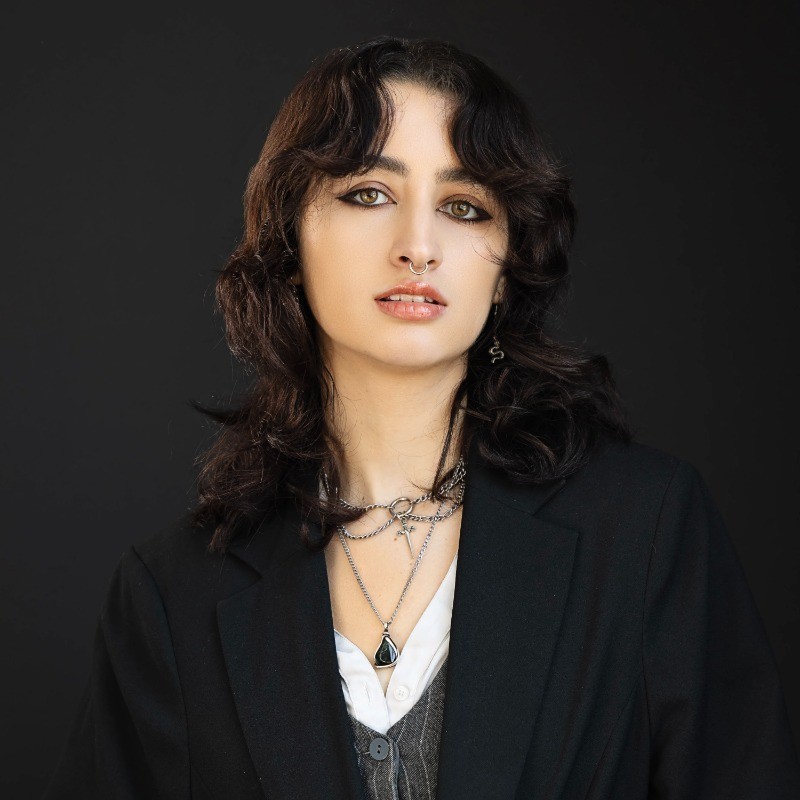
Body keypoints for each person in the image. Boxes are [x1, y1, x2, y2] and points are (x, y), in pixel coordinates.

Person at [44, 35, 800, 800]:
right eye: (369, 193)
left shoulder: (645, 531)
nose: (418, 246)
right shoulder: (175, 593)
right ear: (290, 235)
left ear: (508, 267)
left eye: (464, 206)